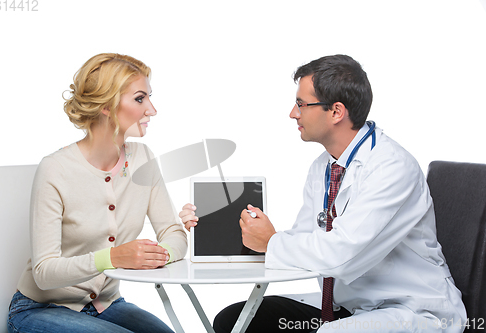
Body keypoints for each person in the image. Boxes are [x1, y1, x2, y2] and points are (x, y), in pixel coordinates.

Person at [179, 55, 467, 332]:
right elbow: (306, 240)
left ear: (336, 111)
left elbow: (341, 256)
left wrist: (272, 242)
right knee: (234, 321)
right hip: (352, 304)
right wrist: (233, 233)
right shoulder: (325, 167)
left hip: (411, 308)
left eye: (301, 104)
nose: (293, 113)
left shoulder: (391, 167)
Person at [7, 53, 187, 333]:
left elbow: (175, 234)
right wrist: (113, 258)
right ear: (107, 106)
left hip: (107, 304)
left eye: (149, 97)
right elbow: (44, 272)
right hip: (39, 309)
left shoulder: (143, 159)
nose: (151, 109)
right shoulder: (55, 169)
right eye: (140, 99)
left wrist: (153, 255)